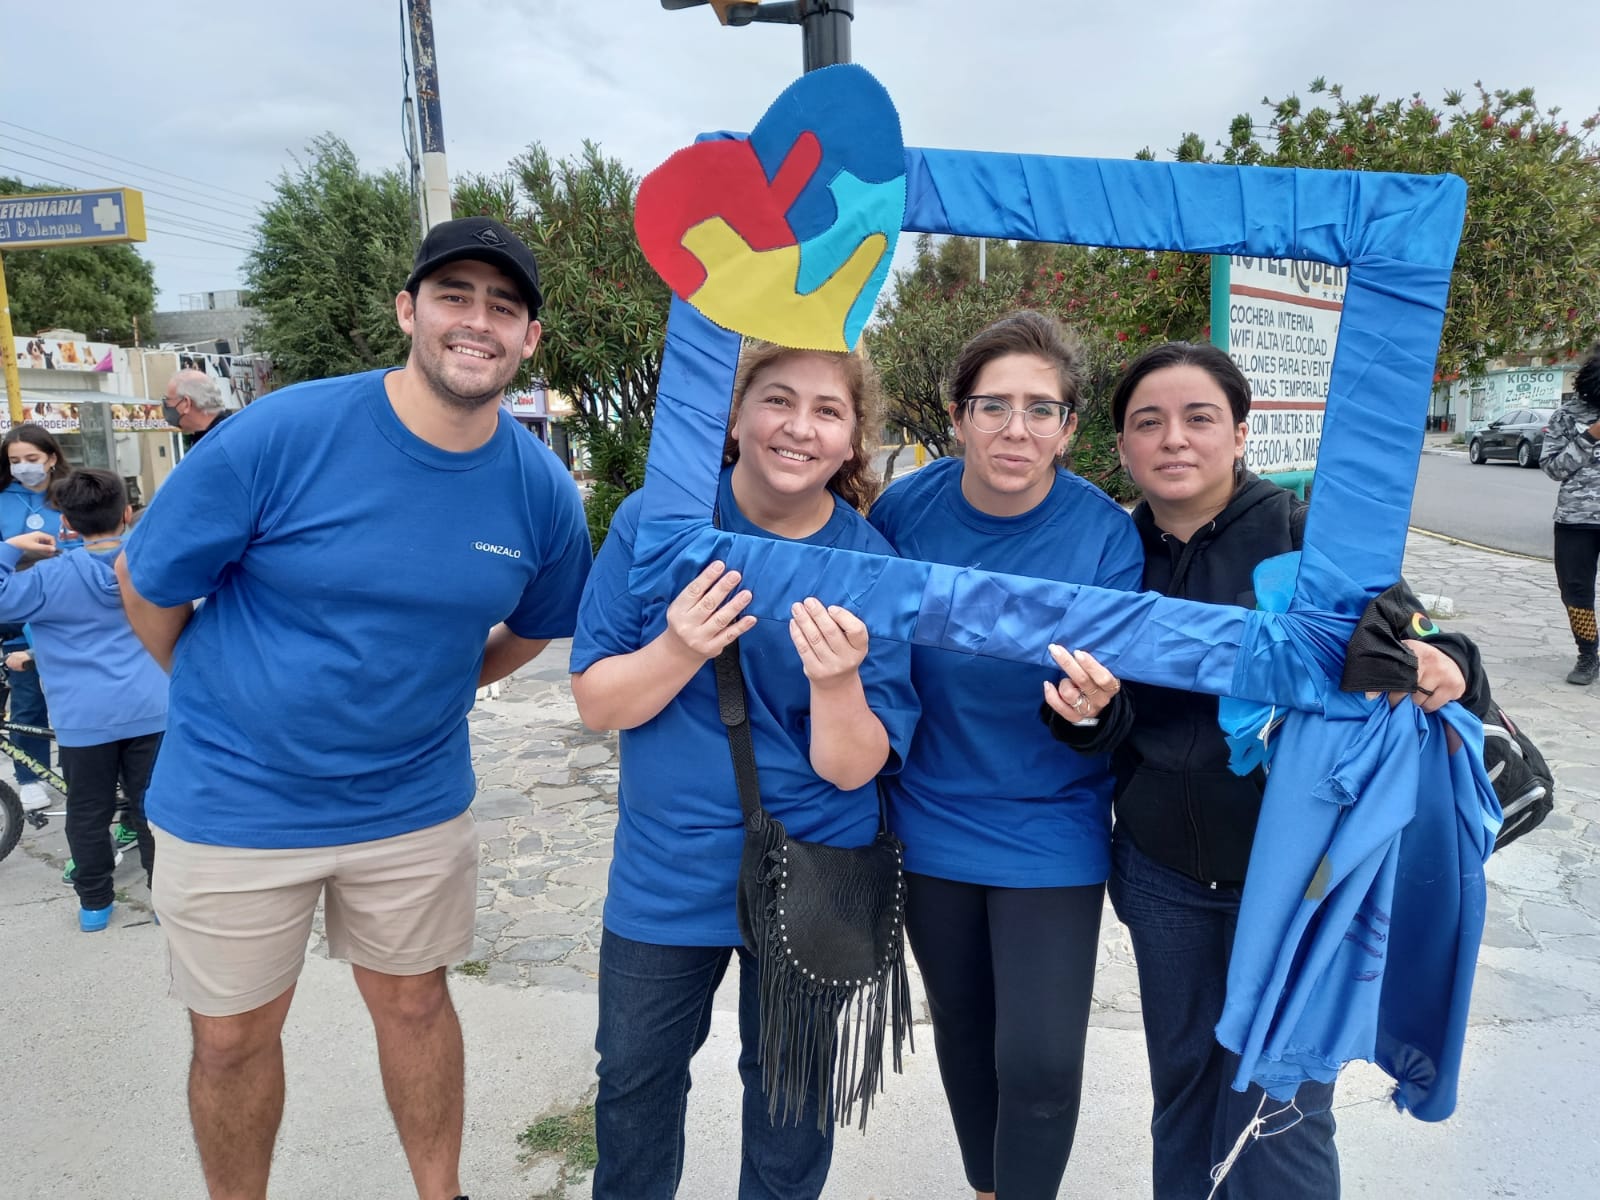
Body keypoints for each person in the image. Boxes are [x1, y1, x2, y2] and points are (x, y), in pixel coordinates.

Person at [115, 216, 592, 1200]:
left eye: (504, 307)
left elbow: (538, 628)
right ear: (408, 310)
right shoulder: (285, 434)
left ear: (529, 339)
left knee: (416, 1007)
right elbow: (147, 579)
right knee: (234, 1038)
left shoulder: (540, 490)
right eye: (455, 296)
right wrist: (218, 697)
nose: (478, 322)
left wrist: (438, 690)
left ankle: (439, 1191)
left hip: (412, 806)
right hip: (237, 802)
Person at [1043, 341, 1475, 1200]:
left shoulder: (1308, 539)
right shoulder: (1109, 557)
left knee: (1280, 1110)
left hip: (1297, 885)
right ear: (1122, 447)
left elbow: (1427, 641)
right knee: (1187, 1093)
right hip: (1163, 873)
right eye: (1148, 423)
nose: (1174, 439)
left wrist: (1447, 662)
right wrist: (1086, 718)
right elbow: (1107, 723)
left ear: (1241, 433)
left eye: (1199, 418)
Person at [571, 340, 919, 1200]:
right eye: (776, 400)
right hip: (668, 867)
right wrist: (680, 647)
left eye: (827, 411)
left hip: (816, 865)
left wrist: (836, 680)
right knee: (635, 1083)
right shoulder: (657, 524)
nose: (798, 427)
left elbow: (855, 769)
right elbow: (597, 702)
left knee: (790, 1103)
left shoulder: (872, 562)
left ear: (851, 441)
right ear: (733, 419)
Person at [867, 310, 1143, 1200]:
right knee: (965, 1028)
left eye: (1040, 408)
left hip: (1052, 824)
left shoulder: (1104, 536)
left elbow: (1115, 707)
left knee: (1041, 1060)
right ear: (956, 416)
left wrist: (1092, 711)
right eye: (993, 406)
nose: (1014, 428)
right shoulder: (907, 508)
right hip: (932, 816)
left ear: (1070, 427)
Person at [0, 469, 164, 931]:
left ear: (65, 523)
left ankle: (95, 904)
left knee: (87, 811)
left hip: (82, 717)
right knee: (152, 808)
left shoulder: (49, 579)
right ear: (127, 513)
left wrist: (13, 546)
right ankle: (163, 903)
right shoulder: (151, 563)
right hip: (153, 708)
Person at [0, 424, 73, 813]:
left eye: (31, 459)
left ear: (51, 458)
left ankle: (80, 768)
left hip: (63, 601)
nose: (23, 468)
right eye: (15, 461)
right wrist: (13, 549)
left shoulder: (69, 494)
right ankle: (30, 776)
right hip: (13, 605)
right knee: (27, 698)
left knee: (69, 692)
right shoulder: (2, 498)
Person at [1539, 342, 1600, 685]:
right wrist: (1590, 436)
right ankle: (1588, 654)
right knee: (1575, 592)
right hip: (1575, 520)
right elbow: (1552, 467)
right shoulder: (1567, 415)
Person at [162, 368, 231, 439]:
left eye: (167, 402)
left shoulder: (213, 445)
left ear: (186, 403)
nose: (165, 407)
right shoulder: (232, 428)